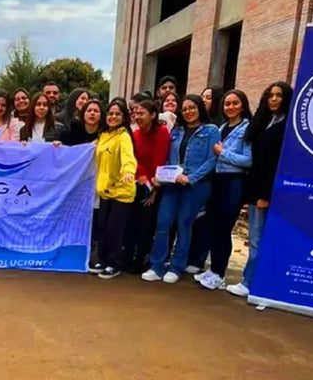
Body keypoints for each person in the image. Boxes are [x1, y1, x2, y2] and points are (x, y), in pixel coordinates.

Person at [142, 94, 219, 284]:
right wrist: (162, 177)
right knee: (163, 222)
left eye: (192, 107)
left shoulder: (211, 130)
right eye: (184, 109)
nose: (188, 112)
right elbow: (169, 159)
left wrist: (190, 178)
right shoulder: (176, 132)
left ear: (200, 108)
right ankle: (157, 265)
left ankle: (176, 267)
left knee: (184, 224)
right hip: (172, 184)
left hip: (196, 185)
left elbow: (212, 160)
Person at [227, 81, 292, 298]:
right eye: (270, 95)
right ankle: (256, 281)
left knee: (258, 239)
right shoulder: (262, 122)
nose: (274, 99)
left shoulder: (287, 126)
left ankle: (250, 282)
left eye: (279, 95)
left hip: (269, 192)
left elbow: (276, 163)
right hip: (255, 189)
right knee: (256, 238)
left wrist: (265, 194)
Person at [194, 90, 253, 290]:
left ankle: (220, 274)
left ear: (243, 105)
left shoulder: (247, 129)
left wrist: (223, 153)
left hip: (234, 182)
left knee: (224, 228)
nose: (231, 107)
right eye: (227, 104)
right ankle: (213, 270)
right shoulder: (221, 128)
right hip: (218, 181)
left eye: (235, 103)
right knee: (214, 227)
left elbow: (248, 160)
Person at [90, 100, 139, 280]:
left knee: (114, 230)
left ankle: (114, 263)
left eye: (117, 114)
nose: (113, 117)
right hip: (105, 191)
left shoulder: (124, 136)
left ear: (124, 117)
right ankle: (103, 260)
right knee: (102, 227)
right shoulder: (103, 135)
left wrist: (128, 171)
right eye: (110, 113)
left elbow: (128, 157)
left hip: (121, 192)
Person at [125, 99, 170, 274]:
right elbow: (133, 158)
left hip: (156, 184)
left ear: (152, 115)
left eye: (141, 113)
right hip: (138, 182)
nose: (137, 116)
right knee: (132, 222)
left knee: (147, 224)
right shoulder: (135, 135)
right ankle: (129, 256)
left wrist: (154, 187)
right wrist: (142, 175)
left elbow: (160, 159)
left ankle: (142, 258)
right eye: (135, 113)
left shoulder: (162, 132)